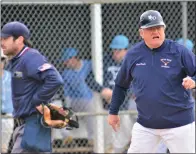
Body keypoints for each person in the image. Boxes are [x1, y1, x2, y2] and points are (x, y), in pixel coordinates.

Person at [107, 10, 195, 153]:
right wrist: (113, 112)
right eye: (151, 29)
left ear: (164, 29)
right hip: (146, 125)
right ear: (141, 33)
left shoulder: (179, 51)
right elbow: (120, 85)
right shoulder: (133, 55)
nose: (156, 31)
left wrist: (193, 81)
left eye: (158, 28)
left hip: (179, 125)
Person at [1, 21, 64, 153]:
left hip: (31, 125)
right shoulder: (17, 60)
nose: (2, 43)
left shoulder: (30, 57)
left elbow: (55, 79)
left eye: (5, 39)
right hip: (27, 125)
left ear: (19, 39)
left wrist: (38, 100)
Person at [61, 48, 111, 145]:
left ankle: (92, 139)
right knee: (58, 108)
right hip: (73, 102)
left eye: (66, 61)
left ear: (74, 58)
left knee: (90, 107)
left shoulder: (89, 64)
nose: (65, 64)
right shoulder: (65, 73)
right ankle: (67, 137)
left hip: (88, 100)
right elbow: (66, 95)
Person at [102, 34, 136, 153]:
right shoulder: (105, 60)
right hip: (107, 103)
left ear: (126, 50)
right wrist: (102, 89)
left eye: (119, 50)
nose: (115, 52)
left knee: (126, 131)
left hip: (124, 104)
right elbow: (90, 77)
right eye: (114, 49)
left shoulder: (132, 63)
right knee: (109, 135)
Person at [1, 48, 14, 153]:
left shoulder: (11, 75)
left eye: (2, 59)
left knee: (3, 148)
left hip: (8, 116)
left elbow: (23, 76)